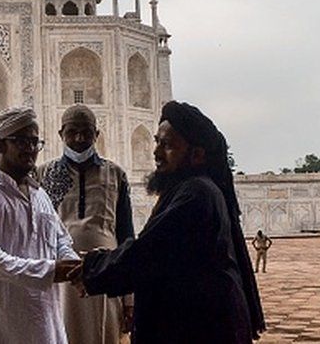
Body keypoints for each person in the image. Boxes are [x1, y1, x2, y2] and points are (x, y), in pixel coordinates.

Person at [72, 100, 265, 343]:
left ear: (196, 154)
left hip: (199, 327)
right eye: (157, 142)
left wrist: (92, 269)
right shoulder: (189, 189)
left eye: (167, 145)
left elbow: (149, 253)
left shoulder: (197, 193)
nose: (156, 152)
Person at [0, 106, 81, 344]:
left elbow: (61, 240)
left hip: (48, 318)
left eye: (35, 143)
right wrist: (49, 271)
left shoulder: (40, 195)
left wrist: (75, 264)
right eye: (23, 142)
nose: (32, 150)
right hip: (6, 319)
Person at [35, 104, 134, 343]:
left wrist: (129, 299)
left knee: (103, 334)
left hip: (105, 271)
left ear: (96, 135)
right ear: (61, 134)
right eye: (72, 132)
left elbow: (126, 236)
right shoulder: (43, 174)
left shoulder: (115, 174)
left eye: (86, 132)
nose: (79, 138)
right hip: (61, 275)